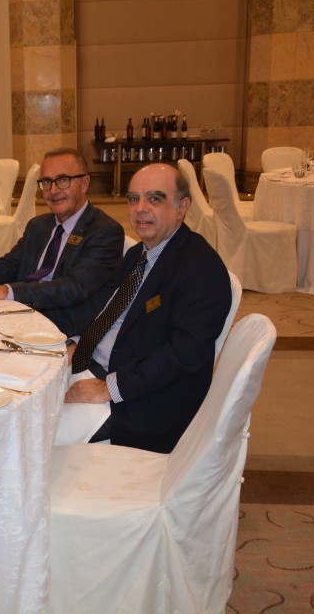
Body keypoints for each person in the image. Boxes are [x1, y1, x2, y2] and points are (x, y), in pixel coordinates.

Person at [60, 163, 231, 454]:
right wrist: (77, 343)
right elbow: (109, 314)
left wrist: (108, 388)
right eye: (133, 198)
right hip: (94, 368)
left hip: (142, 402)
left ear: (182, 207)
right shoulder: (138, 254)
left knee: (37, 434)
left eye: (154, 199)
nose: (140, 209)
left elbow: (185, 355)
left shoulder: (201, 268)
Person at [0, 148, 123, 336]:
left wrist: (5, 291)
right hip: (18, 317)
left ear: (85, 183)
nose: (53, 191)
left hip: (61, 331)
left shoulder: (105, 231)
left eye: (63, 180)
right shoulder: (39, 225)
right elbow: (9, 266)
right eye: (46, 182)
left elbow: (72, 288)